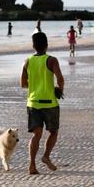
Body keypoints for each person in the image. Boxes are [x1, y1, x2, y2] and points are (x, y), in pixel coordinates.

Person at [21, 32, 65, 175]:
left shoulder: (27, 61)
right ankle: (46, 156)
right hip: (50, 103)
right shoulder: (52, 60)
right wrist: (59, 90)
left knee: (36, 135)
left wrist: (35, 86)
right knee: (53, 132)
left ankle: (32, 166)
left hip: (33, 103)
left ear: (33, 46)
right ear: (47, 45)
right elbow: (60, 79)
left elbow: (23, 84)